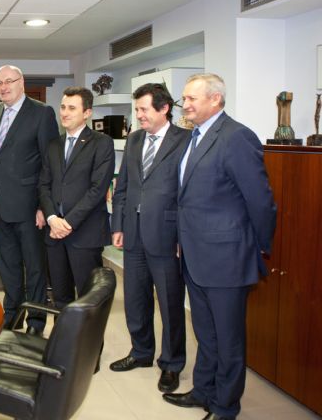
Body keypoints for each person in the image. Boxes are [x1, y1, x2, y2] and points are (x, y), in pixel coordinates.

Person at [163, 74, 276, 420]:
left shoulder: (236, 137)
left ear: (215, 99)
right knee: (206, 333)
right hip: (195, 256)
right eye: (184, 99)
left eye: (192, 99)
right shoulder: (193, 138)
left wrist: (258, 248)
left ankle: (226, 406)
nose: (186, 105)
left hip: (227, 257)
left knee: (228, 341)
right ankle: (203, 391)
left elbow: (261, 202)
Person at [109, 83, 189, 394]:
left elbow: (188, 193)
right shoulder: (134, 139)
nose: (138, 115)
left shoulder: (184, 141)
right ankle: (141, 352)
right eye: (137, 109)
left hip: (167, 235)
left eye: (143, 109)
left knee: (169, 303)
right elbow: (123, 185)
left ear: (164, 108)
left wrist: (184, 235)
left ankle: (171, 363)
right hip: (133, 233)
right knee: (135, 299)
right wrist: (118, 224)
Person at [0, 65, 59, 335]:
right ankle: (12, 314)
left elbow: (49, 163)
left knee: (35, 267)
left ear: (22, 82)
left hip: (29, 206)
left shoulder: (42, 113)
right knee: (8, 266)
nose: (3, 87)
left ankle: (36, 322)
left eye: (8, 81)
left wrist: (44, 205)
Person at [38, 86, 114, 308]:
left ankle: (88, 345)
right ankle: (64, 343)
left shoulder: (101, 143)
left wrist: (67, 223)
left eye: (72, 108)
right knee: (60, 298)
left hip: (85, 234)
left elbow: (97, 190)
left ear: (87, 113)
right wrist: (52, 218)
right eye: (62, 107)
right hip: (54, 234)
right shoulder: (53, 145)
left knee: (88, 302)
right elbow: (43, 184)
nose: (65, 112)